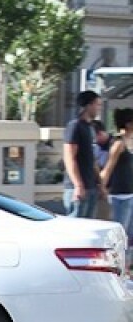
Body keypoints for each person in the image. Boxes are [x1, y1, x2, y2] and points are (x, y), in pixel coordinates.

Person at [63, 91, 103, 219]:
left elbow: (93, 159)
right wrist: (78, 185)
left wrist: (100, 183)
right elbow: (69, 157)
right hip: (77, 187)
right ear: (89, 105)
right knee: (75, 229)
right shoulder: (74, 126)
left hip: (91, 186)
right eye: (97, 105)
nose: (99, 108)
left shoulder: (90, 128)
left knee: (88, 227)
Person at [100, 108, 133, 237]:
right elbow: (108, 167)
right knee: (120, 234)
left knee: (128, 235)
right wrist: (101, 187)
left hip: (129, 194)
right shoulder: (118, 143)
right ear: (129, 124)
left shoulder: (128, 142)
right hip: (119, 195)